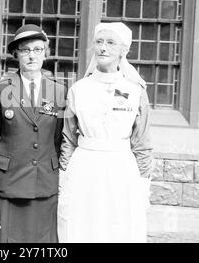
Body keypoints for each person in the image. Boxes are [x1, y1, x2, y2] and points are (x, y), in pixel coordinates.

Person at [57, 22, 154, 243]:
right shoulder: (78, 89)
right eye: (99, 42)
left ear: (124, 50)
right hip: (84, 170)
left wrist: (143, 187)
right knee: (80, 227)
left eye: (111, 43)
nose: (103, 48)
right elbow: (69, 139)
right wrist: (63, 179)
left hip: (121, 171)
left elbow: (142, 143)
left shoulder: (135, 91)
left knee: (118, 229)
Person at [0, 24, 66, 243]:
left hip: (44, 188)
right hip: (8, 187)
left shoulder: (58, 91)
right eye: (25, 50)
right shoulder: (0, 89)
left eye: (37, 49)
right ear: (16, 54)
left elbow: (58, 142)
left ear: (45, 53)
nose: (31, 55)